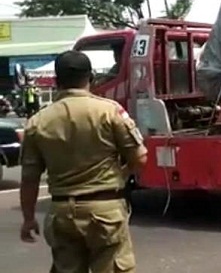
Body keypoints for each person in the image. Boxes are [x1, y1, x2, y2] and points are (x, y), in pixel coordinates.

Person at [19, 50, 148, 273]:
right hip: (105, 212)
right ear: (91, 78)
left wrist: (29, 219)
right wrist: (121, 174)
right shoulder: (110, 112)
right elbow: (140, 157)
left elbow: (29, 179)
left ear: (56, 81)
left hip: (61, 214)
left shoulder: (37, 122)